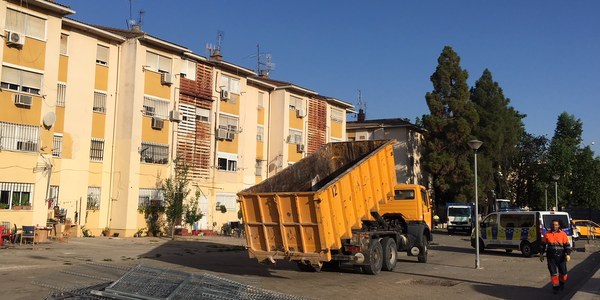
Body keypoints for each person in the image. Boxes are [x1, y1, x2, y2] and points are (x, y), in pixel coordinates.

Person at [539, 219, 572, 294]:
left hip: (561, 256)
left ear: (558, 226)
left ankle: (562, 283)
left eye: (556, 225)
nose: (554, 226)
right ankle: (555, 287)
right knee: (553, 273)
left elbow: (567, 245)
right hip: (551, 256)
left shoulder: (563, 234)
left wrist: (568, 254)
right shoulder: (547, 234)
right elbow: (542, 245)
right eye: (553, 224)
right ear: (551, 225)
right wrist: (541, 254)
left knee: (563, 273)